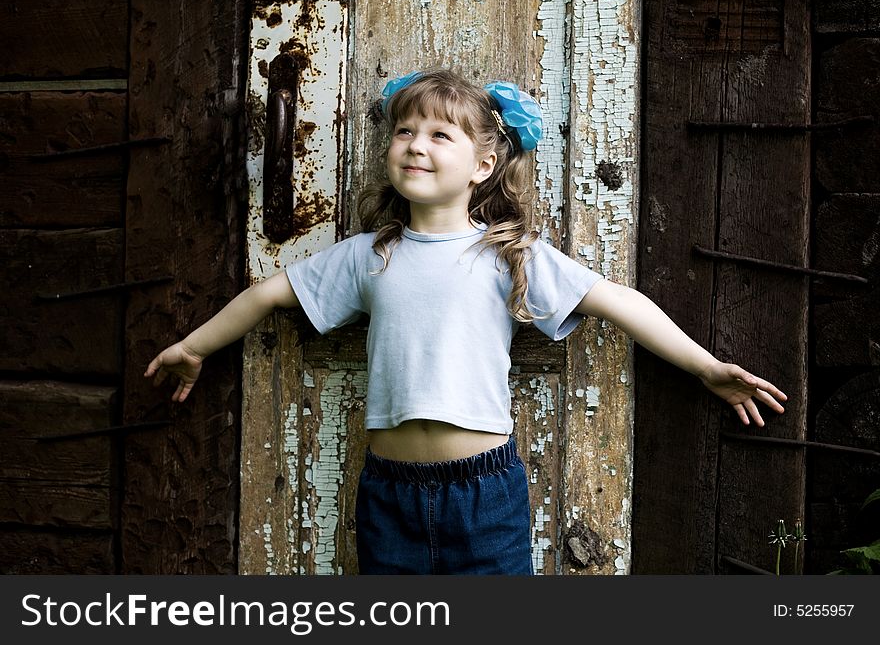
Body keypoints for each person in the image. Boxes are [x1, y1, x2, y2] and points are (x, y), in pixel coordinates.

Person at [145, 68, 787, 575]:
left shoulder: (508, 256)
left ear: (483, 167)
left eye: (439, 135)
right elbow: (266, 296)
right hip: (388, 493)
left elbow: (622, 302)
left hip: (484, 495)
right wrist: (192, 346)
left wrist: (707, 366)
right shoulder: (369, 255)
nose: (415, 145)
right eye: (404, 132)